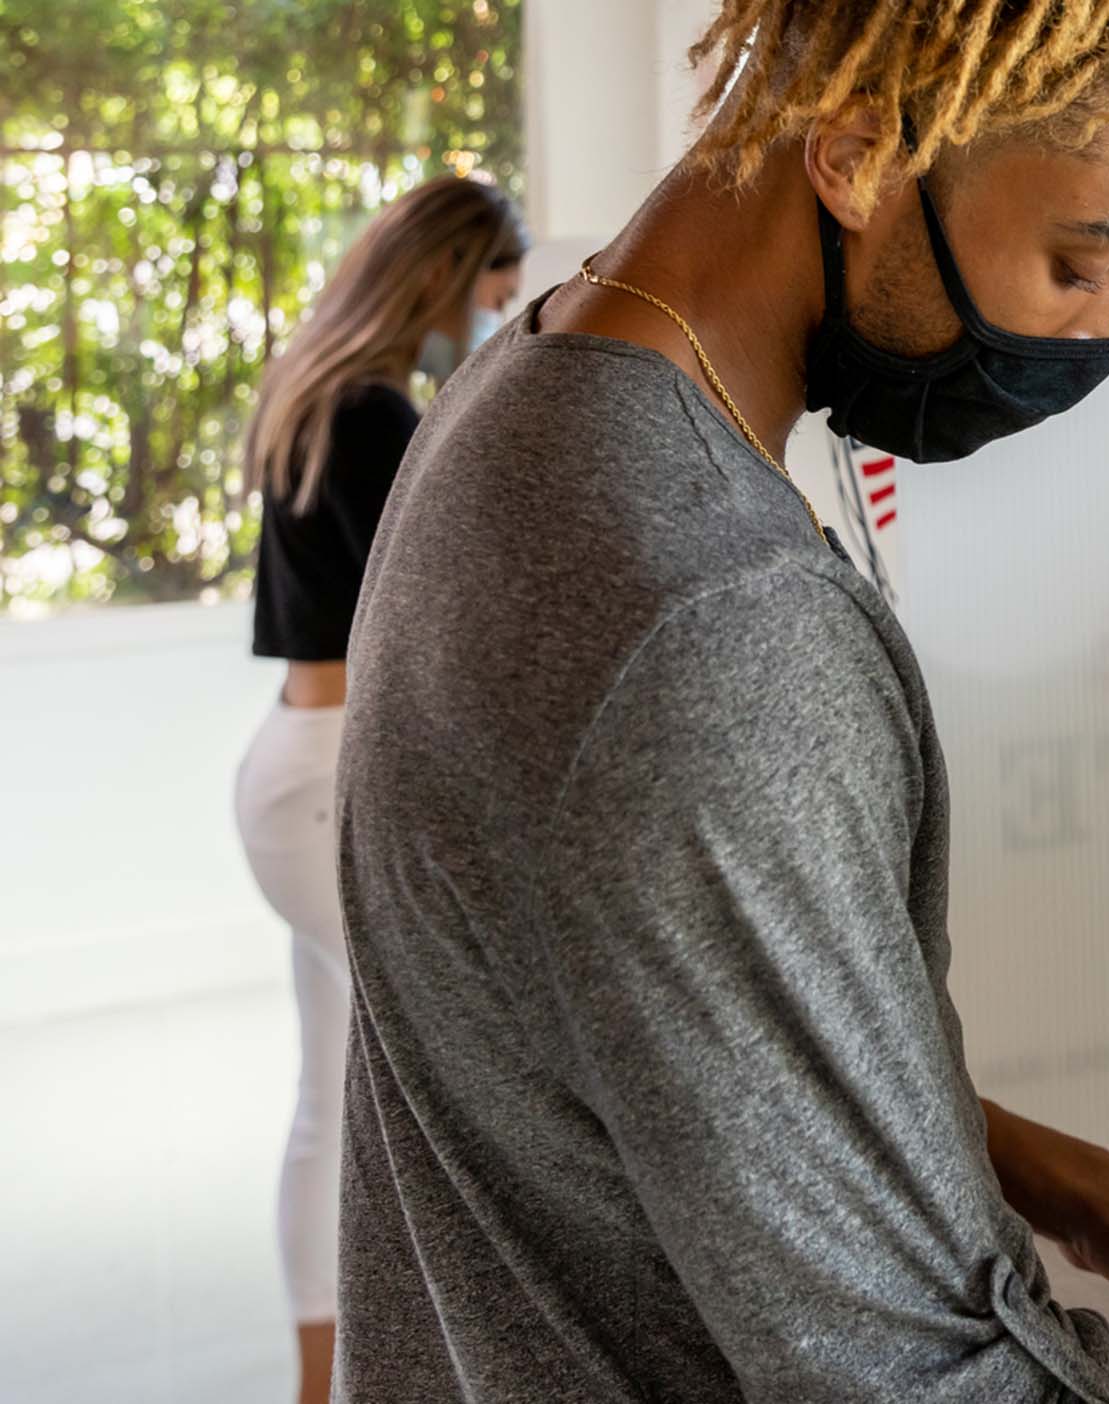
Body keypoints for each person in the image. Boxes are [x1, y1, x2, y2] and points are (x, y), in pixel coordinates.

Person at [332, 3, 1109, 1402]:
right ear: (859, 155)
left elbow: (698, 1067)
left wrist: (1093, 1193)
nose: (1099, 331)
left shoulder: (521, 395)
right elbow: (921, 1385)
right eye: (1079, 260)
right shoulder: (720, 632)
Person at [231, 173, 526, 1404]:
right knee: (437, 1086)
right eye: (494, 294)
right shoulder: (375, 419)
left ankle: (325, 1382)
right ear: (445, 277)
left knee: (331, 1095)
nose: (495, 321)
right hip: (334, 776)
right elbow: (441, 615)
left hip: (295, 765)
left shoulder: (322, 392)